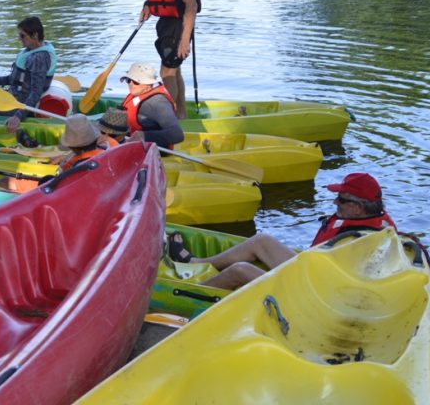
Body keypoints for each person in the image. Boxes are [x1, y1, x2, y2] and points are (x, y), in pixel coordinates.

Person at [167, 173, 397, 290]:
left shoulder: (362, 241)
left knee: (240, 270)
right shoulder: (367, 217)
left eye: (342, 199)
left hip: (315, 292)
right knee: (262, 240)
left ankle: (189, 291)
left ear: (358, 207)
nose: (335, 202)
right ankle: (198, 262)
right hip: (314, 270)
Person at [137, 0, 200, 120]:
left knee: (167, 71)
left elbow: (191, 5)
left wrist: (184, 39)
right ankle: (180, 114)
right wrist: (149, 4)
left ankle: (166, 120)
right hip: (166, 20)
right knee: (174, 68)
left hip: (179, 22)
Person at [0, 16, 57, 135]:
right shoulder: (30, 51)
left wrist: (18, 116)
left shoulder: (38, 58)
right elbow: (14, 79)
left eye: (22, 36)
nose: (20, 39)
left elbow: (36, 92)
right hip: (11, 98)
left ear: (35, 35)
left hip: (16, 106)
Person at [120, 62, 184, 150]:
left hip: (153, 151)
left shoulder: (158, 102)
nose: (130, 84)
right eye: (128, 80)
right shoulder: (135, 95)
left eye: (136, 81)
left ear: (148, 84)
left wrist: (145, 135)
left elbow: (177, 134)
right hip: (129, 143)